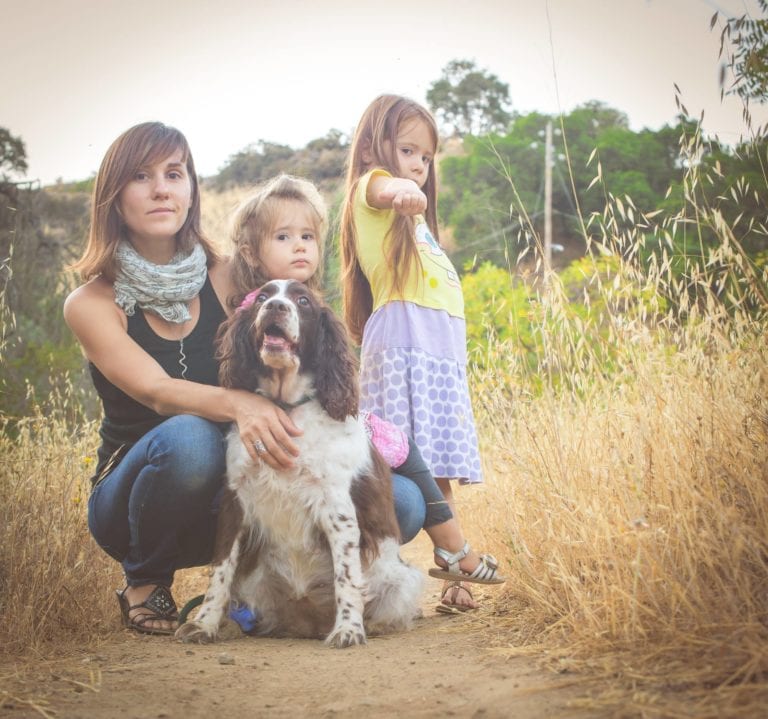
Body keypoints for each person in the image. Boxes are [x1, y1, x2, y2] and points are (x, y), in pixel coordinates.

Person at [63, 122, 426, 636]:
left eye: (175, 173)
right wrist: (241, 405)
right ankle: (145, 582)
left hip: (234, 487)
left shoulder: (232, 274)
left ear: (192, 187)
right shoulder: (91, 303)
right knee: (190, 441)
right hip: (139, 498)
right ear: (112, 195)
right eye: (141, 177)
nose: (162, 189)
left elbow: (294, 288)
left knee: (400, 502)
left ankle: (264, 593)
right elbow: (155, 391)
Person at [230, 172, 504, 616]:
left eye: (307, 236)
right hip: (282, 442)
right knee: (396, 453)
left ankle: (445, 550)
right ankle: (454, 549)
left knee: (401, 453)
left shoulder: (314, 305)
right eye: (284, 237)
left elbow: (332, 378)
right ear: (251, 252)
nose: (300, 246)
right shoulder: (250, 310)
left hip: (329, 431)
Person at [338, 95, 505, 613]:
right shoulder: (373, 190)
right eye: (407, 150)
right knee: (394, 463)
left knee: (436, 466)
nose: (417, 164)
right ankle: (364, 576)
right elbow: (386, 185)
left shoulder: (417, 225)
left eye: (426, 158)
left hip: (436, 353)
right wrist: (403, 187)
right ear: (372, 147)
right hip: (406, 346)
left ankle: (454, 578)